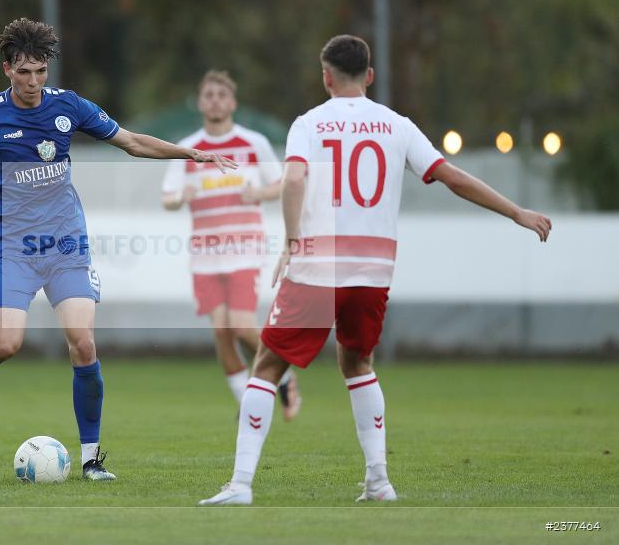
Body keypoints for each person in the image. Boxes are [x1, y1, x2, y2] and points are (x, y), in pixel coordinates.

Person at [0, 18, 235, 482]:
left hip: (65, 242)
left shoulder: (68, 106)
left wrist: (193, 155)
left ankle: (92, 459)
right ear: (7, 69)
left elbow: (132, 142)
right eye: (24, 72)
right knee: (6, 344)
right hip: (14, 247)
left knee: (82, 342)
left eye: (40, 71)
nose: (34, 82)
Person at [199, 35, 552, 505]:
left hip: (316, 269)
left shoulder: (308, 123)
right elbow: (452, 176)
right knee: (357, 363)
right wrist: (517, 213)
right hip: (372, 271)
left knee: (266, 364)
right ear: (369, 75)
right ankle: (379, 482)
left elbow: (295, 178)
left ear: (326, 76)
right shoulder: (397, 125)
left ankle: (241, 485)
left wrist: (291, 239)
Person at [161, 70, 301, 419]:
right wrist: (181, 196)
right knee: (222, 332)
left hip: (243, 248)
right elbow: (168, 197)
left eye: (222, 95)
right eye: (208, 95)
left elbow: (281, 184)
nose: (215, 101)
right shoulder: (189, 147)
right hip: (205, 253)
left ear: (233, 102)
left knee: (240, 325)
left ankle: (283, 374)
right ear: (200, 102)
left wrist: (258, 193)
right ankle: (248, 406)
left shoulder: (253, 142)